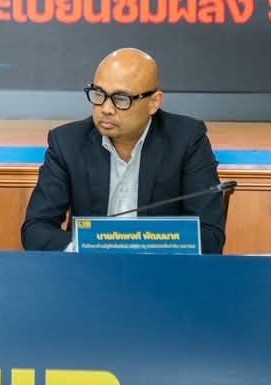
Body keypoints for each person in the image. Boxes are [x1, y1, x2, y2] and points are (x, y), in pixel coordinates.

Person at [22, 48, 227, 254]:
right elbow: (36, 229)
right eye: (99, 94)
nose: (106, 109)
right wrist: (89, 247)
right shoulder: (68, 143)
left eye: (121, 99)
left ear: (153, 102)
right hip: (89, 267)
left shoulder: (187, 140)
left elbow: (210, 236)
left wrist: (140, 248)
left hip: (162, 269)